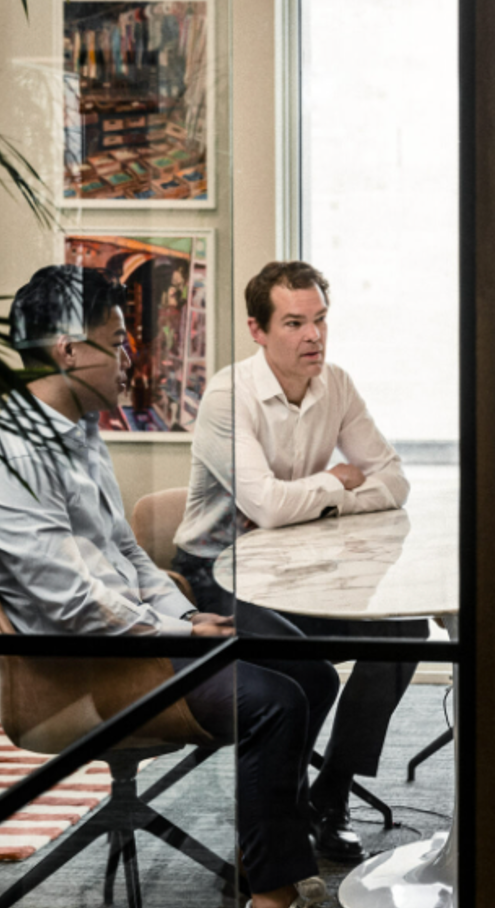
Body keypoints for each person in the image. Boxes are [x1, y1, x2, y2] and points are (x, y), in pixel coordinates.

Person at [0, 265, 383, 908]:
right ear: (68, 350)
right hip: (84, 669)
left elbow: (123, 555)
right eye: (116, 342)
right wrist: (175, 631)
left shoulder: (74, 429)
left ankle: (268, 864)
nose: (129, 359)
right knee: (274, 702)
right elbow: (64, 601)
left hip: (130, 639)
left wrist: (184, 613)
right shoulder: (14, 451)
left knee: (308, 672)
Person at [173, 260, 428, 863]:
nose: (313, 335)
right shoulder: (226, 397)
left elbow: (394, 480)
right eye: (294, 323)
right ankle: (273, 819)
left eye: (319, 320)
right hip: (214, 578)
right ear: (257, 330)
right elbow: (263, 506)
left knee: (404, 633)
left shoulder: (334, 384)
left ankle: (330, 797)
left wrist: (324, 497)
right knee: (302, 665)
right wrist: (335, 485)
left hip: (298, 572)